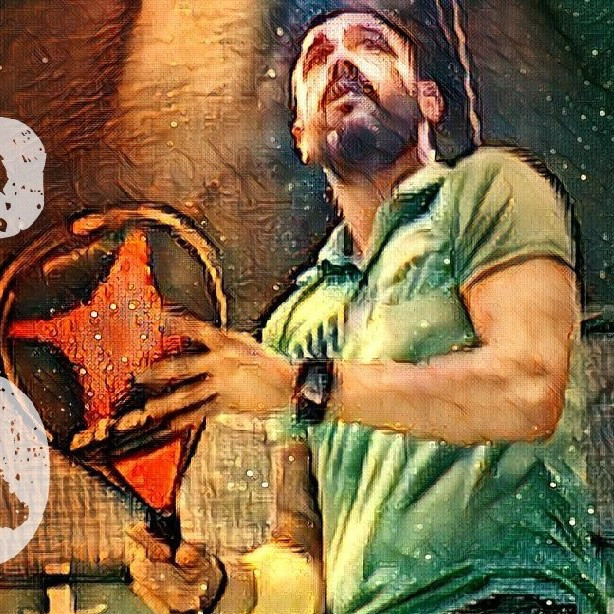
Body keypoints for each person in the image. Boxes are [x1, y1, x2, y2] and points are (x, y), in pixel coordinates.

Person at [135, 9, 608, 614]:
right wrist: (221, 587)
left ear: (430, 100)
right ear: (301, 135)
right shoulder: (295, 319)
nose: (341, 61)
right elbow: (303, 558)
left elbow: (528, 388)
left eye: (371, 45)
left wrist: (302, 386)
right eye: (317, 58)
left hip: (514, 600)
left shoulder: (490, 187)